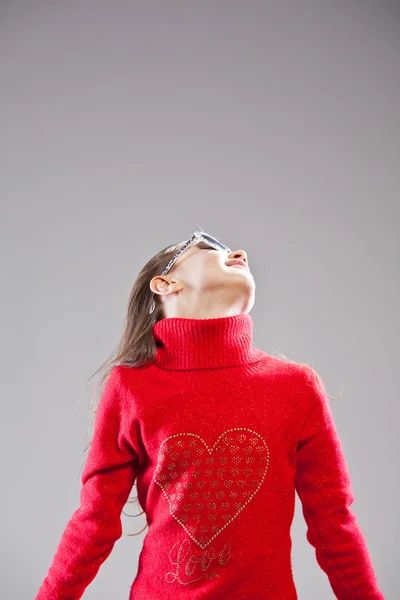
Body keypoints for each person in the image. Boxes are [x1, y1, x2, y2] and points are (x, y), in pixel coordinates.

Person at [35, 231, 385, 599]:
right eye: (209, 246)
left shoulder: (297, 387)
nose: (239, 253)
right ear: (165, 283)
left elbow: (334, 522)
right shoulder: (129, 387)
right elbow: (94, 522)